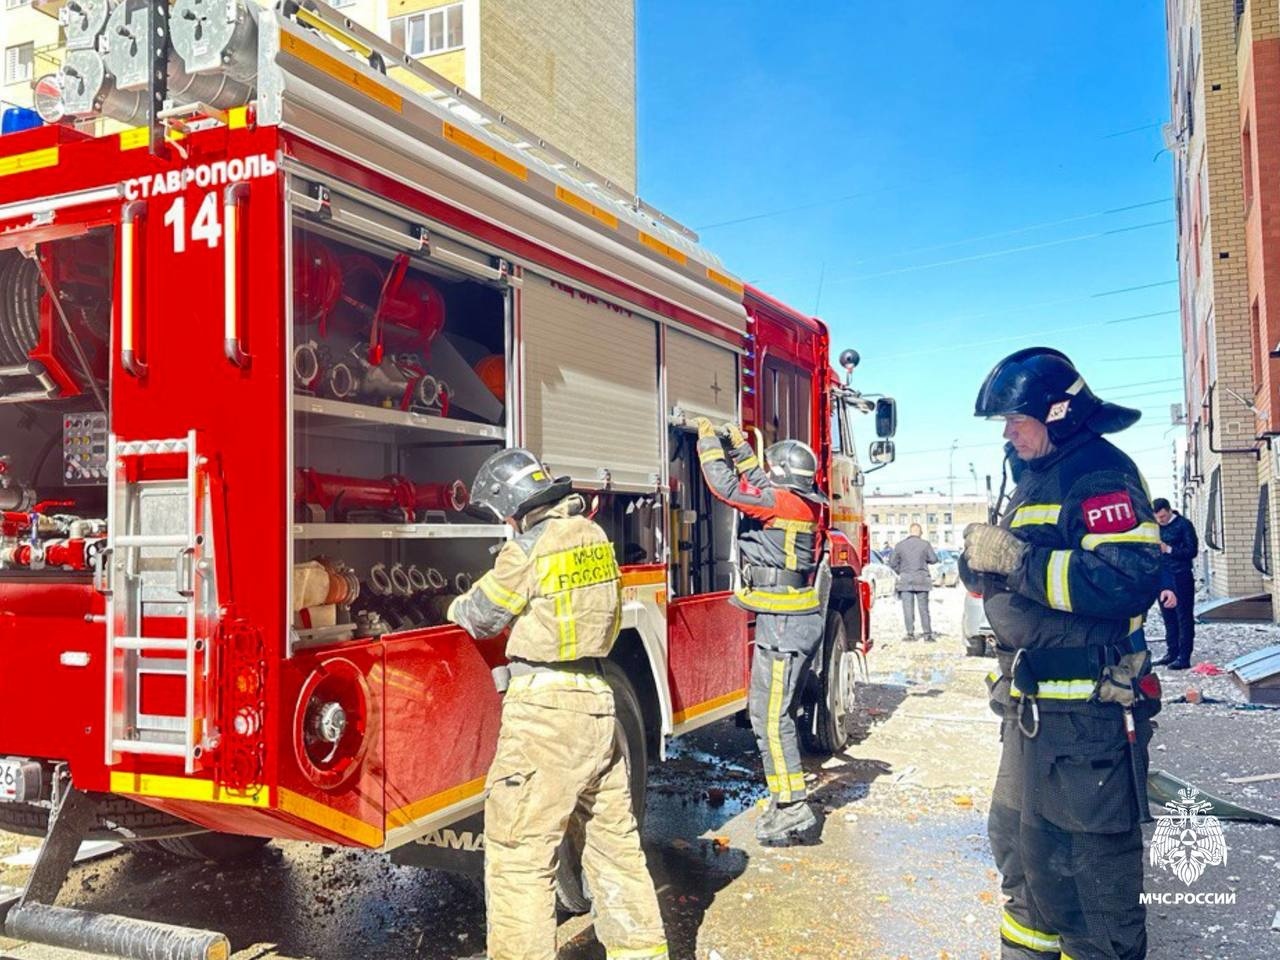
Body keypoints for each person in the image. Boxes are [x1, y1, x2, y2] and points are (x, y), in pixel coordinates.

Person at [959, 347, 1162, 960]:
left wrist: (1018, 561)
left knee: (1089, 882)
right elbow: (1009, 574)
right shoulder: (1035, 478)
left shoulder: (1099, 474)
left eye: (1016, 420)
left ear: (1059, 413)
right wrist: (979, 559)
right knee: (1023, 859)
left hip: (1088, 718)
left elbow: (1125, 579)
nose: (1008, 433)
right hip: (1032, 712)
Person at [447, 448, 668, 960]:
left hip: (545, 715)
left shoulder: (527, 550)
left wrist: (451, 605)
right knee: (615, 847)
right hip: (598, 702)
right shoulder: (594, 538)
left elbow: (480, 616)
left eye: (502, 513)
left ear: (514, 505)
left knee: (520, 854)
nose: (505, 523)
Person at [694, 417, 827, 846]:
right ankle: (785, 798)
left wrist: (707, 444)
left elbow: (728, 489)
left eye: (772, 468)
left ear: (783, 476)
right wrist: (739, 447)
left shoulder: (782, 504)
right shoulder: (795, 500)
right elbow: (758, 482)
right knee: (767, 713)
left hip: (785, 624)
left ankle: (792, 806)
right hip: (787, 619)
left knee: (771, 717)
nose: (766, 474)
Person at [1151, 497, 1199, 670]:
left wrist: (1169, 549)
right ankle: (1172, 652)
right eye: (1157, 518)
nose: (1161, 520)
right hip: (1163, 577)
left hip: (1181, 575)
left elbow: (1192, 551)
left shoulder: (1184, 525)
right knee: (1168, 616)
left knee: (1183, 616)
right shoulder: (1155, 527)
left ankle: (1184, 657)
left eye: (1163, 517)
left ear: (1170, 511)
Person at [889, 523, 938, 641]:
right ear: (920, 532)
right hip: (922, 580)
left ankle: (910, 634)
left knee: (907, 608)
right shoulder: (925, 544)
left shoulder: (900, 545)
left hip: (905, 580)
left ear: (910, 532)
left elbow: (892, 563)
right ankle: (927, 634)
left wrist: (901, 571)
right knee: (924, 608)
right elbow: (934, 559)